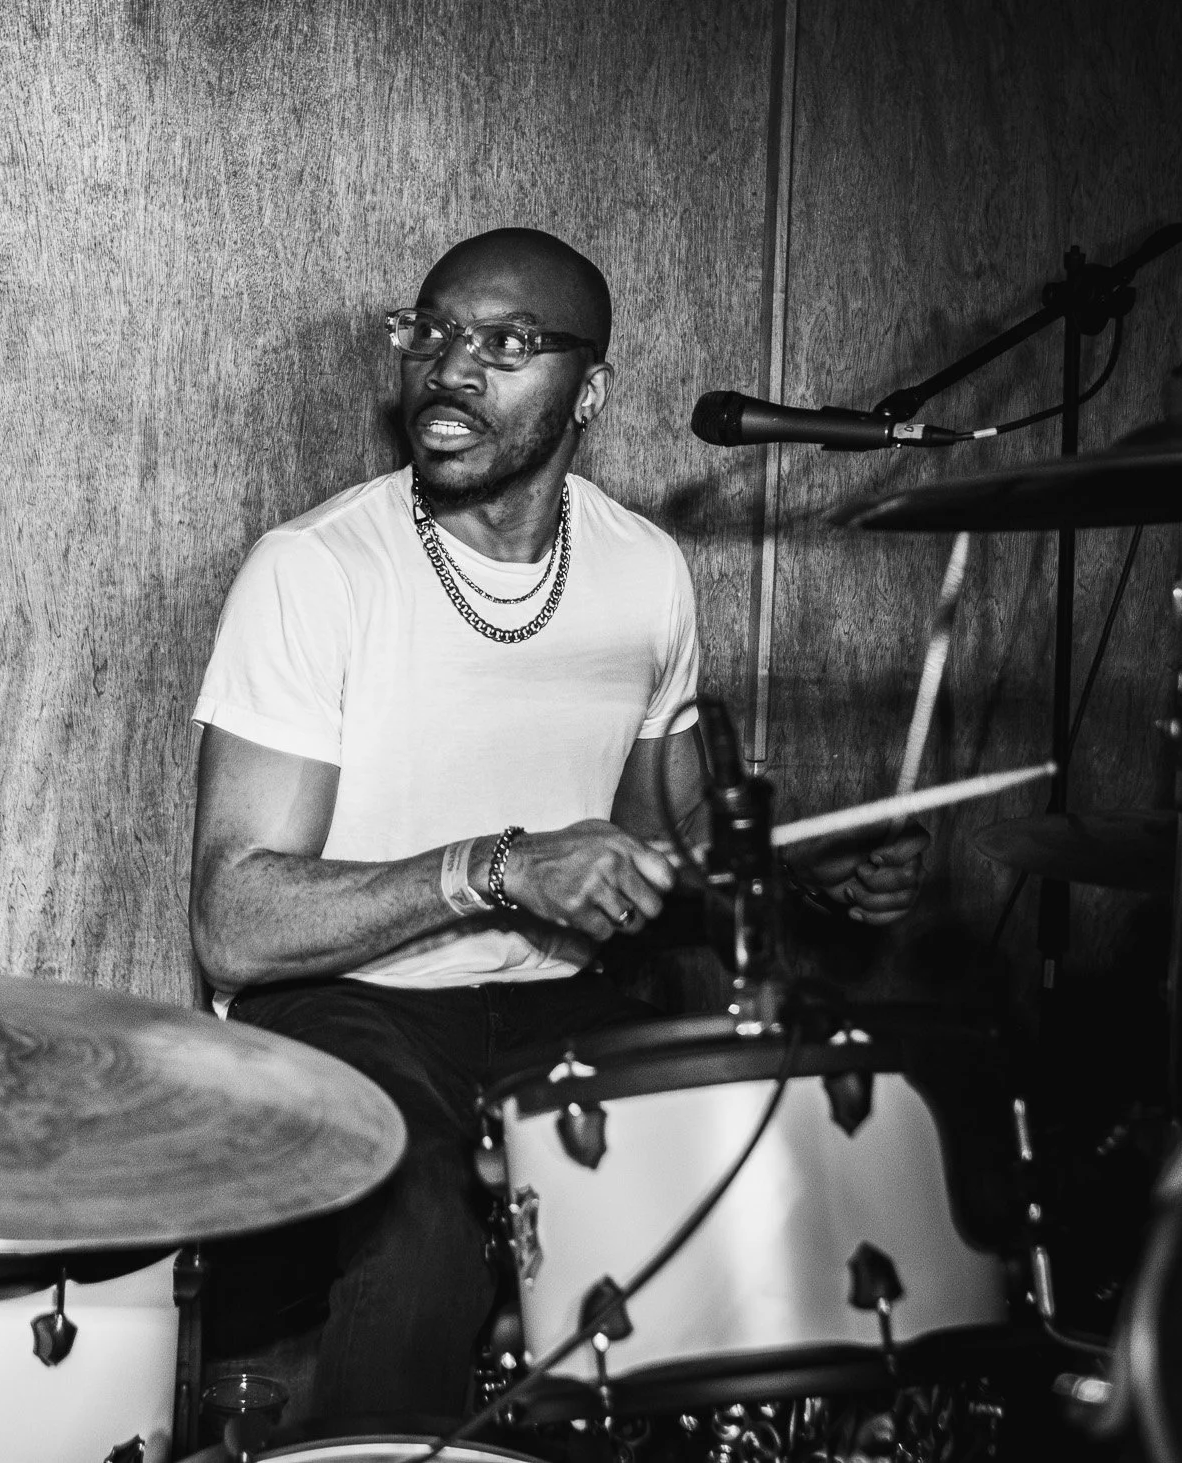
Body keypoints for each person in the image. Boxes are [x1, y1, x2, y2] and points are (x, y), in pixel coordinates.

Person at [187, 227, 928, 1424]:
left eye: (505, 343)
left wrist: (795, 869)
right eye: (430, 332)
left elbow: (663, 844)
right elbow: (237, 922)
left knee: (731, 1169)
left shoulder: (643, 572)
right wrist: (497, 866)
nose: (449, 368)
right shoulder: (316, 570)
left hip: (555, 1006)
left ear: (591, 389)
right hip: (347, 1004)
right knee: (417, 1220)